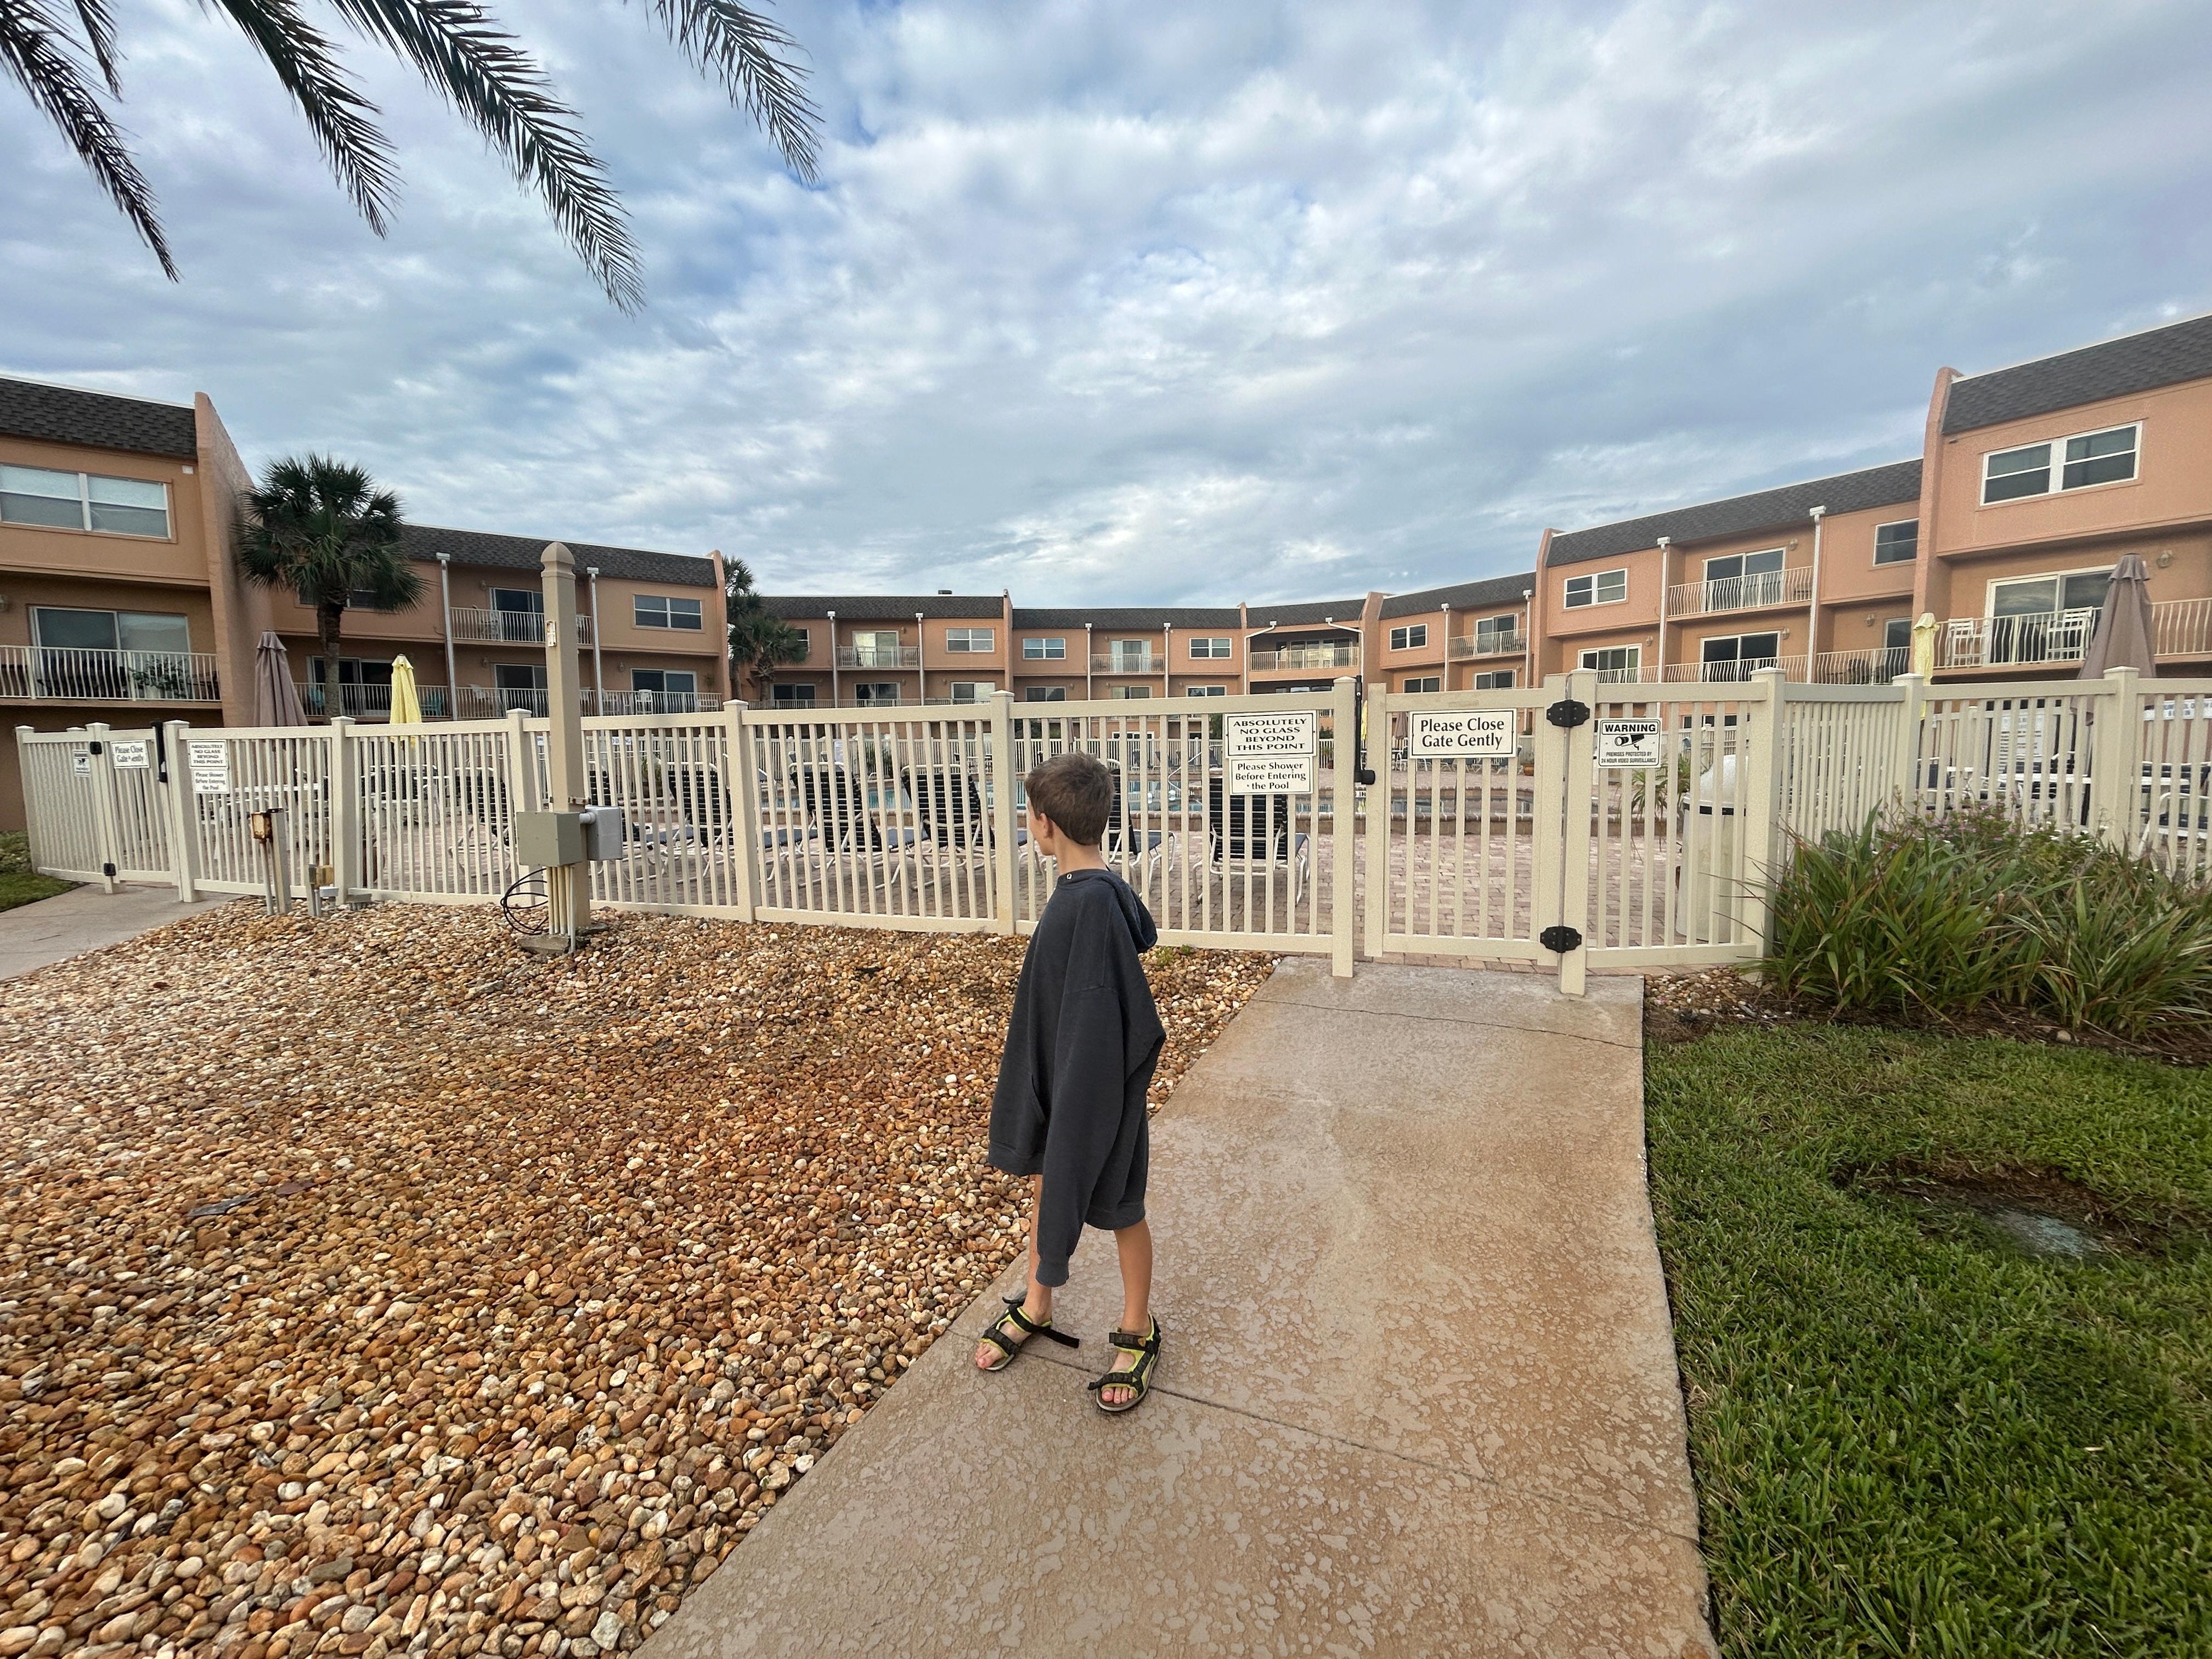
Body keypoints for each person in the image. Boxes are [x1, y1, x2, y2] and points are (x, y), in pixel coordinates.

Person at [974, 751, 1166, 1412]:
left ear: (1044, 824)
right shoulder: (1100, 893)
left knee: (1121, 1204)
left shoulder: (1083, 909)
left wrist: (1081, 1101)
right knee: (1050, 1180)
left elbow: (1096, 1012)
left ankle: (1139, 1328)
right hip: (1072, 1084)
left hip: (1095, 1091)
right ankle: (1038, 1302)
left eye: (1029, 813)